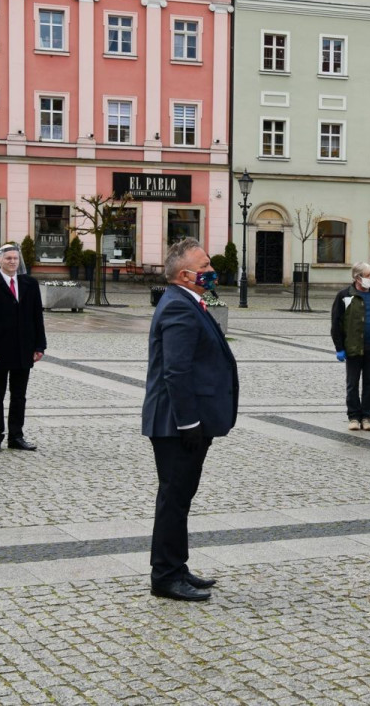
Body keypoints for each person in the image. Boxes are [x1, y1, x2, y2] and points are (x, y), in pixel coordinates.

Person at [141, 238, 239, 602]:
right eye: (205, 266)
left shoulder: (188, 301)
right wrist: (189, 424)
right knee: (173, 498)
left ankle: (176, 566)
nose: (212, 271)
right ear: (186, 275)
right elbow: (176, 372)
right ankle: (165, 576)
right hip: (175, 424)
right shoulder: (178, 307)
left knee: (180, 498)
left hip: (184, 421)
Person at [0, 244, 46, 453]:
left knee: (19, 395)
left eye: (15, 258)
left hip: (24, 348)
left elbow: (37, 317)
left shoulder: (30, 284)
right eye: (8, 258)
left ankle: (16, 436)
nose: (12, 261)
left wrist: (40, 345)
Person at [331, 262, 370, 431]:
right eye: (367, 276)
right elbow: (336, 323)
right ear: (357, 277)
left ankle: (366, 417)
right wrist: (339, 347)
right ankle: (353, 417)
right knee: (352, 383)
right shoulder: (344, 296)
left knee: (369, 383)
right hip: (353, 347)